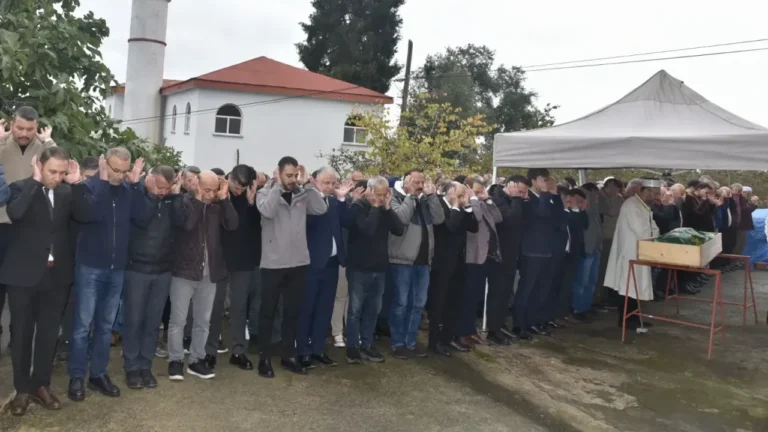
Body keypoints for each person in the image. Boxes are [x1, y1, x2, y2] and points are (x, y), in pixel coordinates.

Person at [2, 148, 87, 416]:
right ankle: (22, 389)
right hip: (22, 275)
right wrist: (36, 182)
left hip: (57, 275)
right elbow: (15, 213)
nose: (57, 177)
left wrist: (78, 185)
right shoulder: (19, 187)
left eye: (62, 172)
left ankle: (41, 385)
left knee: (49, 334)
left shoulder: (67, 191)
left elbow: (86, 216)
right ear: (39, 166)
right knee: (22, 334)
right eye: (53, 172)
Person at [68, 147, 147, 402]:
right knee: (82, 326)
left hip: (117, 269)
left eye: (125, 171)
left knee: (105, 327)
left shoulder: (128, 190)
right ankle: (77, 376)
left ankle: (98, 374)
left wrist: (135, 185)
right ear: (105, 164)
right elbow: (91, 214)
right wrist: (102, 180)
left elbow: (143, 217)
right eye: (116, 170)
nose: (121, 176)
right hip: (90, 266)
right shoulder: (90, 186)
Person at [256, 157, 327, 378]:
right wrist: (277, 185)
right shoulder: (264, 193)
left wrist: (307, 185)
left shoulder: (302, 193)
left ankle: (289, 356)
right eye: (288, 175)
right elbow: (267, 212)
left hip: (298, 263)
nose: (292, 180)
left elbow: (321, 208)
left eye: (295, 175)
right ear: (278, 173)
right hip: (273, 263)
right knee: (267, 313)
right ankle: (264, 358)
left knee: (292, 313)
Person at [167, 171, 238, 381]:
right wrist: (198, 200)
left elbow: (233, 224)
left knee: (203, 321)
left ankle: (197, 360)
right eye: (206, 189)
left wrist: (224, 198)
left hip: (210, 273)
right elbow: (187, 225)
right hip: (184, 270)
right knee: (178, 320)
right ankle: (175, 360)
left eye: (213, 190)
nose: (210, 194)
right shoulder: (183, 201)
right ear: (197, 184)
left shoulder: (217, 206)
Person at [121, 166, 185, 389]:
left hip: (163, 270)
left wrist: (176, 195)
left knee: (152, 323)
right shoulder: (137, 193)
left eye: (166, 188)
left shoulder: (173, 198)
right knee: (133, 321)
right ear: (149, 179)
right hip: (136, 269)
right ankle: (131, 367)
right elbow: (141, 219)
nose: (162, 192)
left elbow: (182, 223)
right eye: (158, 186)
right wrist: (149, 195)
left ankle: (145, 366)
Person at [0, 107, 55, 355]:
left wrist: (49, 141)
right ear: (12, 124)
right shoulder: (1, 145)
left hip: (28, 230)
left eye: (30, 129)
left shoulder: (42, 149)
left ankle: (17, 339)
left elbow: (60, 167)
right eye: (19, 128)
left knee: (20, 288)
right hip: (1, 225)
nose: (23, 133)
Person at [344, 177, 403, 363]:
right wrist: (376, 208)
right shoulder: (357, 207)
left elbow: (399, 229)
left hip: (379, 267)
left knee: (373, 310)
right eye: (378, 194)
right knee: (355, 310)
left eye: (385, 194)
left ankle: (367, 344)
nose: (381, 197)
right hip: (359, 268)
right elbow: (367, 229)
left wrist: (386, 208)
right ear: (369, 191)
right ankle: (352, 347)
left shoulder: (384, 209)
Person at [298, 167, 352, 369]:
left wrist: (340, 200)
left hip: (332, 262)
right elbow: (312, 221)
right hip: (312, 263)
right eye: (326, 183)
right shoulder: (308, 200)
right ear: (315, 181)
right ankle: (303, 350)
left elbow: (347, 222)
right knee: (307, 308)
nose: (330, 187)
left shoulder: (334, 200)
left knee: (325, 308)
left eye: (333, 183)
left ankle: (318, 349)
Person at [216, 165, 261, 371]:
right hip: (219, 258)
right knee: (214, 307)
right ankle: (209, 349)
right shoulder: (217, 191)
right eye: (236, 186)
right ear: (230, 177)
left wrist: (251, 203)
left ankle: (238, 351)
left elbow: (255, 228)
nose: (238, 191)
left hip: (243, 260)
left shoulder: (252, 197)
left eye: (243, 188)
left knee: (239, 308)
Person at [56, 155, 100, 363]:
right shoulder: (69, 192)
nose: (90, 182)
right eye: (87, 177)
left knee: (86, 306)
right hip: (69, 257)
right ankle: (64, 342)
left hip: (91, 259)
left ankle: (83, 343)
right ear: (80, 173)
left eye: (94, 177)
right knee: (68, 304)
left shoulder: (99, 195)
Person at [604, 178, 663, 329]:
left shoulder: (642, 205)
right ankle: (625, 319)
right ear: (646, 191)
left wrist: (654, 234)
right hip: (630, 252)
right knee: (628, 286)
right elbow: (642, 230)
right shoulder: (631, 205)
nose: (656, 197)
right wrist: (653, 234)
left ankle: (634, 316)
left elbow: (654, 227)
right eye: (655, 193)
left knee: (635, 286)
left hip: (640, 251)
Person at [430, 182, 478, 356]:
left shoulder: (461, 207)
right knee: (438, 304)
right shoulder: (439, 205)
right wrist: (457, 207)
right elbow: (449, 227)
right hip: (441, 263)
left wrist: (467, 207)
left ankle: (448, 338)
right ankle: (434, 342)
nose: (462, 197)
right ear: (450, 192)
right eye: (459, 194)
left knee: (454, 302)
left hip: (459, 261)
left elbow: (474, 227)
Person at [514, 169, 560, 340]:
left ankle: (533, 321)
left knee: (540, 290)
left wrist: (554, 196)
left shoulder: (546, 197)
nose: (546, 182)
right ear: (533, 180)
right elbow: (541, 213)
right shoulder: (528, 198)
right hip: (531, 250)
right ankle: (519, 324)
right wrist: (547, 194)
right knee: (527, 288)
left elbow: (557, 217)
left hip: (547, 249)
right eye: (543, 179)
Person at [463, 177, 504, 345]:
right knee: (469, 296)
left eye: (482, 190)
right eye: (477, 191)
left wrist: (487, 199)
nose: (480, 194)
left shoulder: (482, 203)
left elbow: (498, 218)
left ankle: (470, 329)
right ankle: (463, 331)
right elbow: (477, 218)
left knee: (477, 296)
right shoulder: (470, 204)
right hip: (473, 256)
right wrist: (473, 198)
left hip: (486, 256)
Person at [488, 175, 528, 339]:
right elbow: (508, 221)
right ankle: (493, 329)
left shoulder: (515, 200)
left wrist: (521, 201)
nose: (524, 195)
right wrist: (518, 200)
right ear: (511, 185)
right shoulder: (497, 199)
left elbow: (523, 221)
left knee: (506, 293)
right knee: (498, 292)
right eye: (521, 191)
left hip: (512, 253)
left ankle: (500, 324)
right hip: (499, 254)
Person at [572, 184, 602, 322]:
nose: (597, 198)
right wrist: (589, 196)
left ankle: (586, 305)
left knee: (591, 280)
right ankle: (578, 308)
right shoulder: (585, 202)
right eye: (595, 194)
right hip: (587, 248)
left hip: (595, 247)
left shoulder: (591, 206)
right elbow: (593, 211)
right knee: (582, 281)